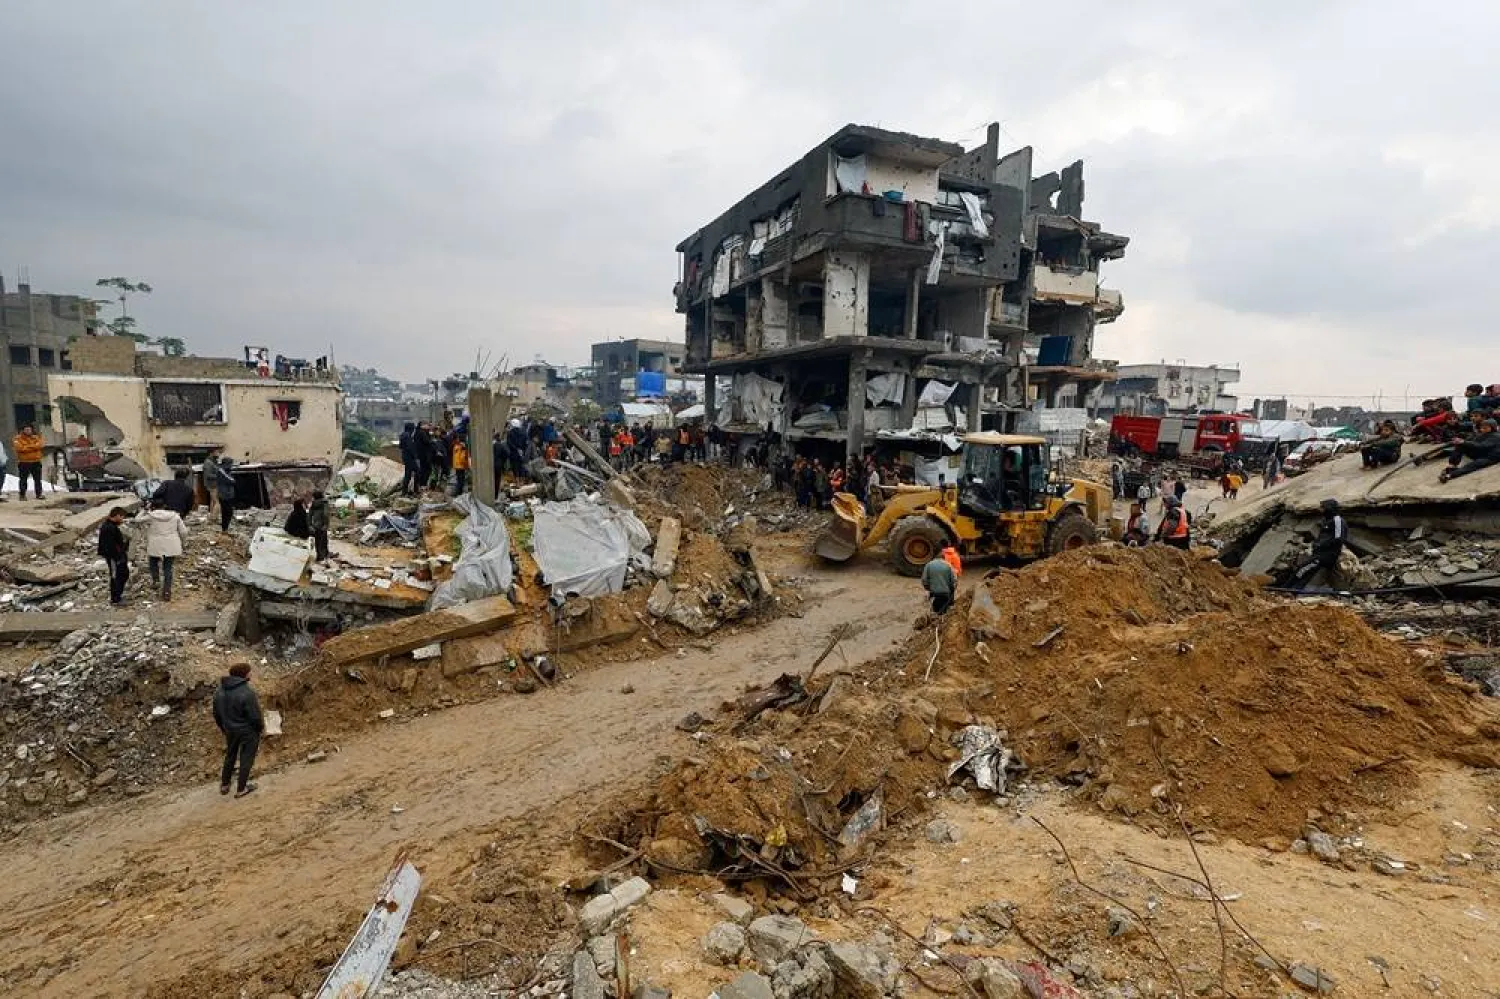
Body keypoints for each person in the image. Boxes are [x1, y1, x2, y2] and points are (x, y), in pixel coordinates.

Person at [212, 663, 264, 798]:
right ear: (244, 675)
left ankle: (225, 784)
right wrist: (259, 729)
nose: (251, 674)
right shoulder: (247, 692)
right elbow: (254, 716)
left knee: (230, 755)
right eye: (249, 672)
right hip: (247, 731)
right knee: (246, 758)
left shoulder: (219, 691)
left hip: (229, 729)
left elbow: (216, 714)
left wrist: (224, 728)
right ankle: (241, 788)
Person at [1288, 499, 1348, 589]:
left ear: (1329, 508)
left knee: (1302, 569)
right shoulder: (1327, 520)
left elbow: (1338, 539)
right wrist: (1316, 544)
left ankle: (1286, 588)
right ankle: (1293, 590)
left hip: (1327, 555)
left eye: (1323, 508)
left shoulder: (1337, 520)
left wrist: (1321, 546)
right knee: (1307, 572)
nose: (1321, 510)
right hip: (1320, 553)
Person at [135, 503, 189, 601]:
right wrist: (183, 542)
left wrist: (144, 510)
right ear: (165, 506)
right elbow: (184, 532)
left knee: (153, 562)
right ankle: (167, 592)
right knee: (168, 568)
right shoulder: (175, 516)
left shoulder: (151, 516)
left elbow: (137, 520)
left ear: (154, 507)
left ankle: (156, 581)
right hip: (171, 544)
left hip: (156, 543)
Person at [98, 506, 131, 604]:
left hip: (118, 556)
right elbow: (110, 546)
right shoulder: (109, 527)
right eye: (122, 517)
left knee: (123, 574)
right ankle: (115, 599)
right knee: (116, 575)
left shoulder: (110, 526)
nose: (122, 519)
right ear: (116, 516)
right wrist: (117, 557)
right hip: (115, 557)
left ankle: (118, 595)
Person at [12, 423, 44, 500]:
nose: (28, 431)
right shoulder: (17, 439)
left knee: (37, 479)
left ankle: (39, 494)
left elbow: (40, 445)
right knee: (23, 479)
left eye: (29, 429)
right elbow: (20, 448)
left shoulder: (36, 437)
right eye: (26, 429)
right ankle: (22, 495)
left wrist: (27, 447)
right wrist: (33, 447)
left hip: (36, 461)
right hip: (24, 462)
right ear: (23, 430)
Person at [211, 454, 237, 531]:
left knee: (227, 512)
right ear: (226, 463)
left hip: (228, 495)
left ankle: (225, 528)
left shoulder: (227, 471)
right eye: (230, 464)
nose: (231, 466)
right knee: (227, 512)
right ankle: (224, 528)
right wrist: (232, 480)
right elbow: (231, 481)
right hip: (224, 495)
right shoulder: (221, 470)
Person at [308, 489, 330, 562]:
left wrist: (310, 525)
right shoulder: (324, 503)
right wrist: (326, 524)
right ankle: (324, 554)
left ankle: (319, 555)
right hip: (322, 525)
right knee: (324, 541)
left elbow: (309, 515)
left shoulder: (313, 504)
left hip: (315, 525)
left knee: (318, 541)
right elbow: (325, 514)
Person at [399, 422, 420, 495]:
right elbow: (410, 447)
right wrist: (415, 456)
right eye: (413, 428)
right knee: (417, 471)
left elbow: (401, 446)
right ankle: (415, 489)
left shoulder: (403, 435)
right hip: (409, 457)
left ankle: (404, 491)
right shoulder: (408, 436)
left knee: (408, 474)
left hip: (405, 457)